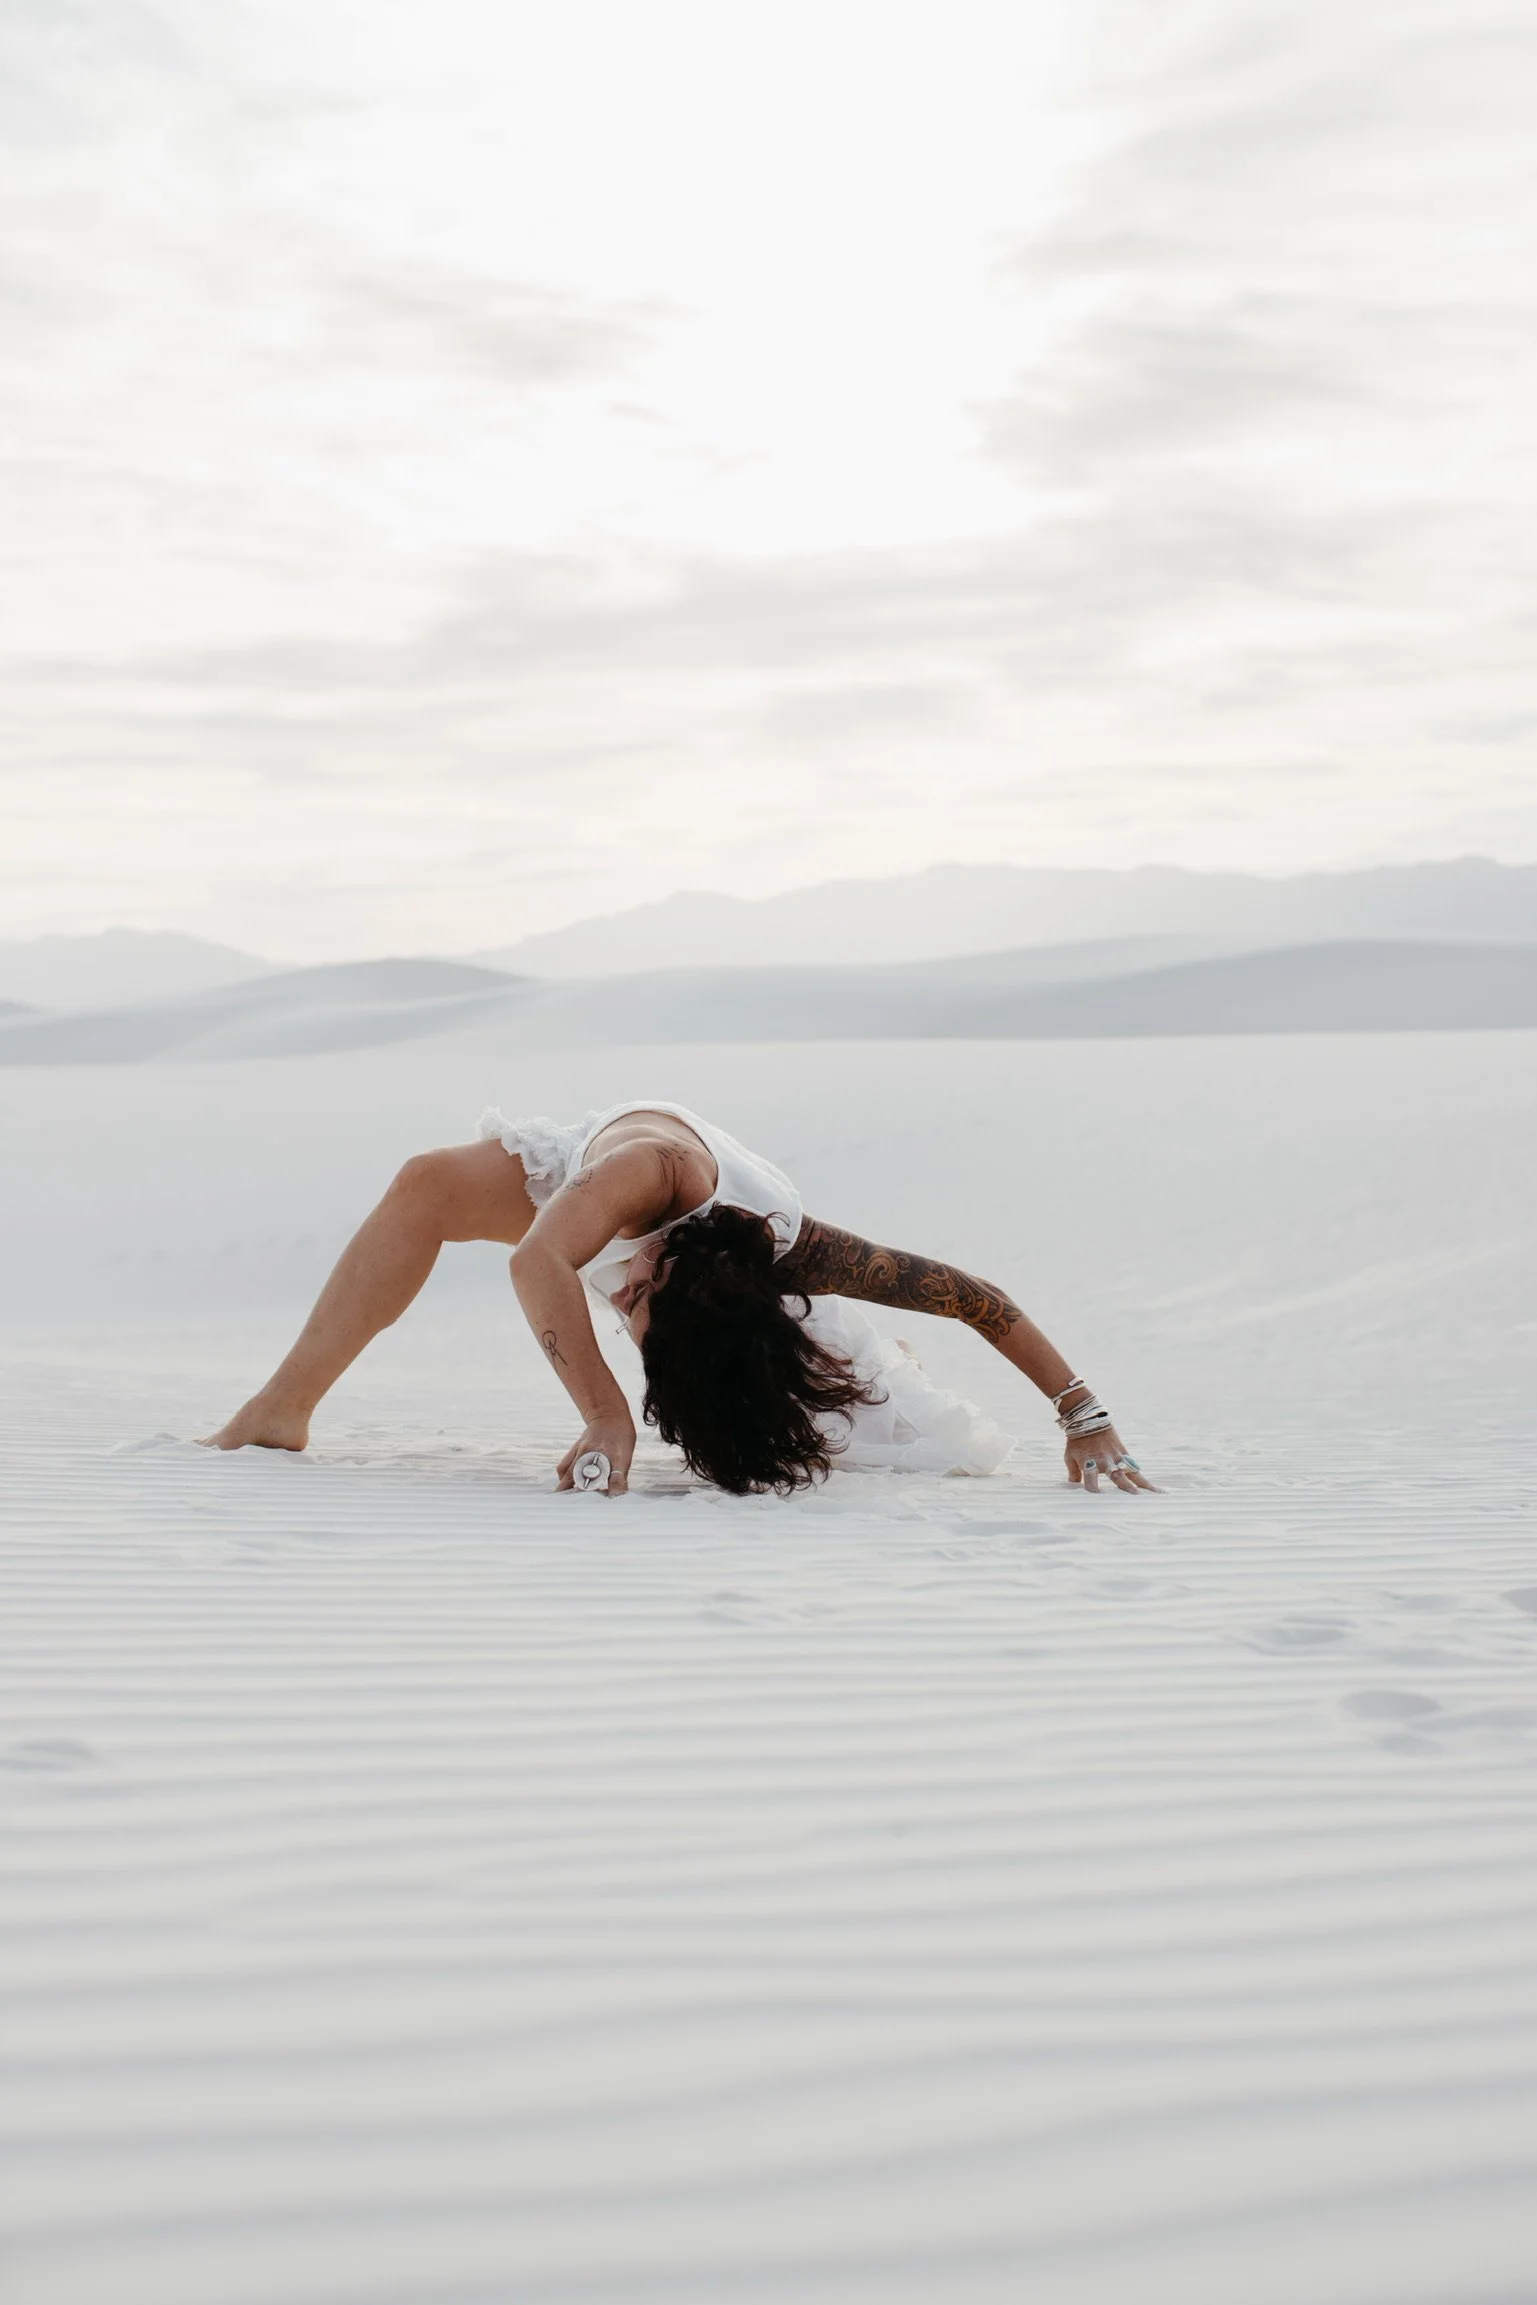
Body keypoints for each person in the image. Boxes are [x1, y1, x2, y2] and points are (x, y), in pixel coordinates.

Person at [204, 1099, 1153, 1497]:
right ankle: (281, 1408)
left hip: (736, 1286)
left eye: (633, 1327)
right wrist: (607, 1414)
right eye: (637, 1321)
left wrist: (1087, 1418)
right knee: (424, 1183)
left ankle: (875, 1372)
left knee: (871, 1434)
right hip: (597, 1179)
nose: (626, 1325)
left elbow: (974, 1297)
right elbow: (537, 1265)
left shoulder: (800, 1255)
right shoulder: (643, 1173)